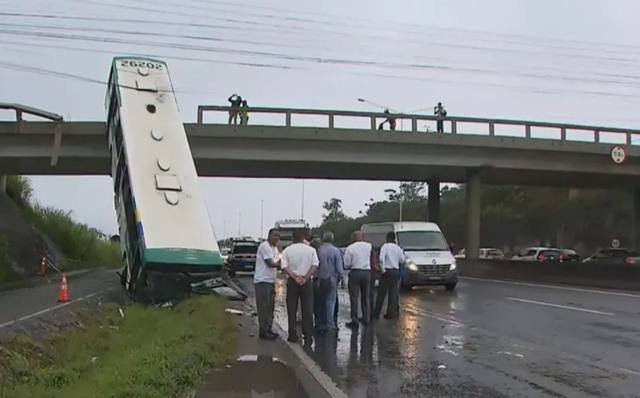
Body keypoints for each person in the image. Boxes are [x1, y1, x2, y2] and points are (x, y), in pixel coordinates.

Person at [281, 229, 319, 345]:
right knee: (307, 309)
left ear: (293, 238)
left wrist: (294, 276)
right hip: (306, 282)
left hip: (293, 281)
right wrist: (306, 278)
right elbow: (315, 265)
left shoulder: (287, 250)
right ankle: (307, 335)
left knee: (291, 308)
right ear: (303, 238)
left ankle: (292, 334)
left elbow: (284, 267)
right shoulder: (311, 250)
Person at [254, 229, 281, 340]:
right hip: (262, 281)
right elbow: (270, 263)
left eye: (278, 237)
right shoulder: (264, 246)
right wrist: (281, 264)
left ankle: (268, 329)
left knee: (270, 307)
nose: (277, 238)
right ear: (269, 236)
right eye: (275, 236)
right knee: (263, 307)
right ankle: (263, 331)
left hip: (270, 281)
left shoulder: (274, 249)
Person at [316, 231, 344, 333]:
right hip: (332, 279)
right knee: (330, 301)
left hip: (320, 279)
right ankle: (329, 324)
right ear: (332, 239)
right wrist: (340, 279)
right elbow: (340, 269)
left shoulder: (319, 250)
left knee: (320, 302)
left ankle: (320, 323)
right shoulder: (336, 251)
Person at [343, 230, 372, 328]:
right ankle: (366, 317)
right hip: (367, 272)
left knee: (354, 297)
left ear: (353, 238)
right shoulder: (369, 246)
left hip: (355, 272)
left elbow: (346, 263)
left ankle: (354, 319)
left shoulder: (350, 248)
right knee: (365, 296)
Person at [374, 232, 405, 320]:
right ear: (394, 239)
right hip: (395, 271)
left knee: (381, 293)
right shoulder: (398, 248)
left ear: (387, 238)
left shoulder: (385, 246)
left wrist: (383, 269)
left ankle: (376, 314)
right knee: (393, 294)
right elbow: (402, 260)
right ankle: (391, 314)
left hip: (387, 271)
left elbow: (381, 258)